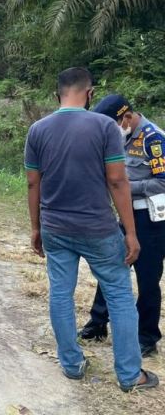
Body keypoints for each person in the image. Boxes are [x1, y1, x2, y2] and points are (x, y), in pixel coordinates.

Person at [24, 67, 157, 391]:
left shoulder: (37, 130)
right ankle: (129, 375)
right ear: (90, 93)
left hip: (55, 227)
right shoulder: (103, 126)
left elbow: (32, 183)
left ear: (58, 93)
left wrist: (36, 229)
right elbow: (116, 180)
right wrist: (130, 232)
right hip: (97, 228)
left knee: (60, 293)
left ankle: (71, 364)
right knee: (120, 296)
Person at [78, 95, 165, 358]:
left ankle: (147, 336)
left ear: (126, 118)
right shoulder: (115, 137)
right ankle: (98, 324)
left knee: (147, 278)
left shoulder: (154, 138)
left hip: (151, 220)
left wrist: (124, 189)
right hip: (125, 216)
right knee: (111, 268)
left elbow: (162, 183)